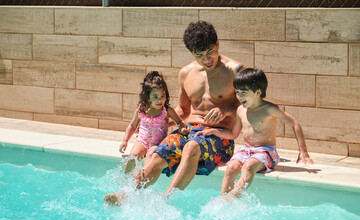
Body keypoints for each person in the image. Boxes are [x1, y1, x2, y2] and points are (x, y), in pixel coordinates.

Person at [104, 21, 244, 205]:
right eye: (199, 55)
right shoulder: (185, 73)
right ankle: (125, 194)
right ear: (191, 53)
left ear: (217, 43)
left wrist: (225, 110)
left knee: (191, 146)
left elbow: (250, 107)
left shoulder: (236, 71)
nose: (207, 59)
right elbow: (183, 110)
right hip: (190, 130)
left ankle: (165, 200)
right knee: (158, 154)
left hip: (219, 135)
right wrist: (157, 121)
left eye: (210, 51)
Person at [195, 68, 314, 198]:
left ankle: (232, 197)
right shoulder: (240, 110)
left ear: (258, 92)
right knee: (231, 168)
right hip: (246, 150)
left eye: (243, 93)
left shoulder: (269, 109)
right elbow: (233, 134)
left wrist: (303, 151)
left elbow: (295, 124)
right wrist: (214, 131)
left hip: (266, 151)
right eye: (237, 92)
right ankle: (224, 198)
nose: (239, 97)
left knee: (248, 167)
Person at [118, 71, 187, 174]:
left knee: (150, 155)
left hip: (157, 143)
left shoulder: (167, 110)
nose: (160, 100)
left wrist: (182, 128)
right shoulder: (141, 109)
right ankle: (125, 179)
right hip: (142, 141)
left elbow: (179, 122)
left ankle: (141, 178)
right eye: (155, 97)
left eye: (162, 96)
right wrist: (125, 141)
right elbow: (132, 126)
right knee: (133, 156)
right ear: (147, 96)